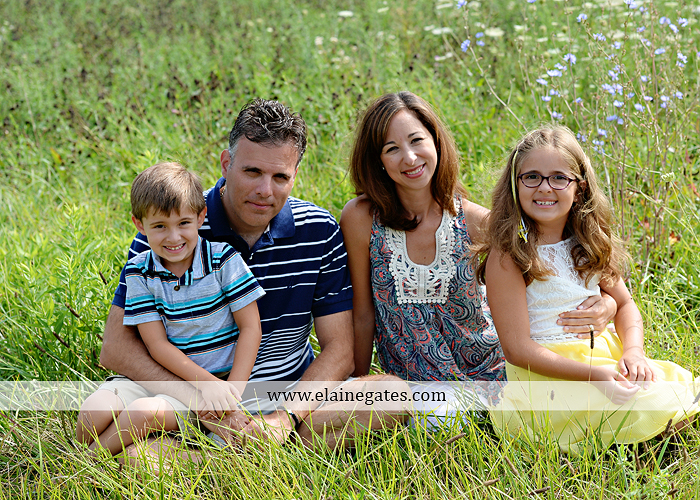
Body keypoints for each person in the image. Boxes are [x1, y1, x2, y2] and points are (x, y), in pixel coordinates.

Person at [98, 99, 406, 456]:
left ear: (294, 177)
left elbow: (339, 349)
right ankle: (245, 459)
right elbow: (116, 349)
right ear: (227, 164)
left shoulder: (318, 230)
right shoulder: (175, 231)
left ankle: (245, 456)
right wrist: (208, 408)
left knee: (392, 395)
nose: (265, 191)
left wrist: (285, 418)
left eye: (280, 177)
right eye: (252, 172)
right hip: (195, 407)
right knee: (141, 460)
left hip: (287, 405)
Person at [341, 92, 616, 416]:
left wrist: (608, 302)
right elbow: (362, 314)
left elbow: (554, 276)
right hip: (409, 385)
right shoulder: (361, 219)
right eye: (392, 149)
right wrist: (356, 385)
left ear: (437, 143)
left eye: (417, 141)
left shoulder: (478, 223)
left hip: (490, 377)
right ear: (378, 161)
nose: (410, 158)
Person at [477, 125, 699, 451]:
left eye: (559, 178)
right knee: (644, 407)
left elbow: (625, 305)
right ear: (515, 183)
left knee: (678, 390)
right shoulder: (509, 254)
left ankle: (648, 438)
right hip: (549, 375)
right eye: (532, 177)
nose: (545, 188)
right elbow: (518, 350)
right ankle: (640, 443)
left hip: (605, 359)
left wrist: (634, 352)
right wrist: (595, 376)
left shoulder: (588, 243)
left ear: (579, 189)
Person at [77, 162, 264, 455]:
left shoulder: (223, 261)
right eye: (160, 226)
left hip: (213, 389)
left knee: (143, 413)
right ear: (140, 225)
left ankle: (86, 462)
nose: (174, 237)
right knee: (94, 411)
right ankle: (101, 456)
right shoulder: (139, 272)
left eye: (183, 224)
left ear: (201, 216)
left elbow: (251, 327)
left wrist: (229, 393)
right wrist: (204, 384)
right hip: (166, 379)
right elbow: (156, 345)